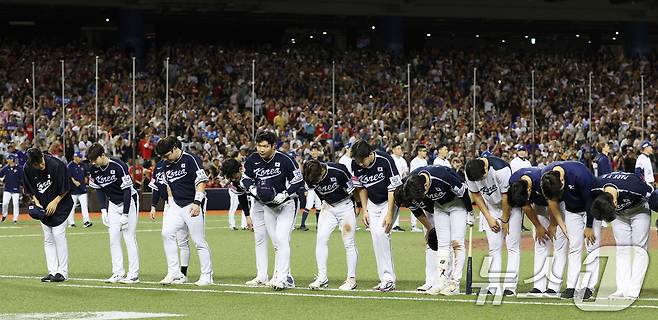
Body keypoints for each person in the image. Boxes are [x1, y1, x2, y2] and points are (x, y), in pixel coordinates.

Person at [241, 131, 303, 290]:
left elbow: (298, 181)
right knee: (271, 241)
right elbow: (245, 179)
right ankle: (275, 276)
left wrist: (286, 194)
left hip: (286, 204)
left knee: (281, 239)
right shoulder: (252, 159)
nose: (261, 149)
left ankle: (283, 277)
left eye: (265, 146)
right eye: (259, 146)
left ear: (273, 146)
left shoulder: (285, 159)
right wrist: (253, 190)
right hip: (266, 205)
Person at [400, 165, 474, 296]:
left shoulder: (443, 177)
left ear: (426, 186)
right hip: (439, 207)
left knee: (457, 243)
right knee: (443, 245)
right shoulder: (413, 181)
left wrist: (470, 211)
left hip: (457, 204)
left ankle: (454, 284)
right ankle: (441, 282)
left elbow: (463, 192)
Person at [156, 136, 214, 286]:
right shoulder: (164, 164)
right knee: (166, 233)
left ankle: (207, 276)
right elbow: (169, 184)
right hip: (176, 204)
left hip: (192, 203)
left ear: (175, 148)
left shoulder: (190, 159)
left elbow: (201, 181)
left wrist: (197, 202)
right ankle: (174, 273)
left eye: (167, 155)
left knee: (199, 241)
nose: (165, 159)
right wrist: (170, 202)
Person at [541, 161, 599, 299]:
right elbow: (552, 201)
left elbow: (590, 201)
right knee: (574, 246)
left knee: (592, 246)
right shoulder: (547, 177)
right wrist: (559, 224)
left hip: (592, 208)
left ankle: (588, 287)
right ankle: (571, 286)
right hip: (572, 211)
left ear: (563, 179)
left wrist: (589, 226)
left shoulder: (580, 175)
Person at [591, 172, 653, 299]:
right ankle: (621, 289)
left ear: (615, 201)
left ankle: (633, 291)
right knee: (621, 248)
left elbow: (653, 194)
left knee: (639, 248)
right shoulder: (595, 186)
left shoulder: (635, 188)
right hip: (619, 215)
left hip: (639, 210)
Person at [351, 139, 402, 292]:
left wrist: (389, 213)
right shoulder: (356, 164)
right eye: (357, 161)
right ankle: (384, 279)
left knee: (382, 233)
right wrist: (365, 210)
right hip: (372, 203)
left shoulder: (385, 160)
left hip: (390, 199)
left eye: (362, 160)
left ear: (370, 154)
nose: (360, 164)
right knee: (376, 238)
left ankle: (389, 279)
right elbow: (361, 188)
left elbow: (393, 188)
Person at [87, 143, 140, 284]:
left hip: (129, 202)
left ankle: (133, 274)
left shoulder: (118, 165)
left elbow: (127, 190)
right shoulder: (94, 169)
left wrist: (125, 214)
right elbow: (98, 189)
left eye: (94, 159)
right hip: (113, 204)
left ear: (102, 155)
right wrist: (103, 210)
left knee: (129, 238)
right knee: (113, 238)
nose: (93, 163)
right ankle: (118, 272)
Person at [464, 156, 517, 295]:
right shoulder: (470, 171)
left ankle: (510, 287)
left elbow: (507, 197)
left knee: (512, 246)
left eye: (482, 178)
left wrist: (505, 220)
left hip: (512, 206)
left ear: (486, 168)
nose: (480, 182)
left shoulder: (501, 170)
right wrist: (489, 218)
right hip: (491, 207)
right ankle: (493, 286)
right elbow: (476, 195)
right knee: (494, 248)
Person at [303, 160, 358, 291]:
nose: (315, 182)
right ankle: (322, 277)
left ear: (322, 170)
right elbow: (315, 190)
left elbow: (353, 189)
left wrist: (358, 205)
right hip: (327, 208)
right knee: (321, 239)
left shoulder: (338, 171)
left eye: (317, 179)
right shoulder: (310, 175)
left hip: (345, 206)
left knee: (349, 242)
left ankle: (351, 279)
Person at [23, 148, 73, 282]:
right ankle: (52, 271)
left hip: (61, 205)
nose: (40, 166)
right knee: (48, 238)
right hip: (44, 207)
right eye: (37, 165)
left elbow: (67, 186)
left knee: (58, 235)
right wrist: (36, 201)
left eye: (42, 163)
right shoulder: (27, 168)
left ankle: (62, 272)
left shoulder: (57, 164)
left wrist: (56, 201)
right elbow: (29, 188)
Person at [507, 167, 555, 296]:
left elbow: (554, 201)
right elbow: (526, 205)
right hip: (540, 205)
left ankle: (556, 287)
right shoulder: (514, 181)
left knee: (561, 243)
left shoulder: (543, 179)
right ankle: (539, 286)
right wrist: (538, 226)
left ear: (529, 189)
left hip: (557, 203)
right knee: (541, 243)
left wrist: (553, 224)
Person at [149, 157, 191, 284]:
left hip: (182, 202)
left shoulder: (179, 162)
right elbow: (156, 187)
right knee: (167, 235)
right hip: (168, 205)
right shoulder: (159, 166)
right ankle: (174, 272)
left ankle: (183, 274)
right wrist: (153, 206)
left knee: (183, 240)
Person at [298, 143, 323, 231]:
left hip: (318, 187)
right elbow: (304, 175)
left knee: (319, 206)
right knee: (308, 205)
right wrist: (305, 188)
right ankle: (302, 225)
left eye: (316, 150)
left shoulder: (321, 161)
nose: (314, 152)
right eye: (312, 151)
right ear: (310, 152)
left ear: (318, 152)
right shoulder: (307, 161)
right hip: (310, 188)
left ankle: (318, 225)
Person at [66, 151, 92, 228]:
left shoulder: (83, 165)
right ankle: (71, 223)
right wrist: (74, 181)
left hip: (82, 190)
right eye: (79, 157)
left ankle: (86, 221)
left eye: (80, 157)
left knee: (84, 206)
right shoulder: (70, 166)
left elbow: (86, 174)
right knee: (71, 207)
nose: (80, 159)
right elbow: (69, 176)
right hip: (73, 191)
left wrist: (86, 178)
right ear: (75, 157)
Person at [408, 144, 429, 232]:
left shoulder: (425, 161)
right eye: (423, 151)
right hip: (416, 187)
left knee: (424, 206)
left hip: (424, 187)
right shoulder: (414, 162)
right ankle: (413, 225)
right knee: (415, 205)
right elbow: (412, 176)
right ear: (419, 152)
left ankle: (425, 224)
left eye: (425, 151)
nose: (425, 153)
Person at [390, 142, 409, 232]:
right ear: (393, 150)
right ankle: (392, 224)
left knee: (397, 206)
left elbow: (405, 173)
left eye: (400, 148)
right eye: (398, 149)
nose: (400, 150)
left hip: (400, 185)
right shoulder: (390, 159)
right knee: (390, 205)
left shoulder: (403, 160)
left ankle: (395, 224)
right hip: (391, 185)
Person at [226, 152, 248, 230]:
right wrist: (233, 188)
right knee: (233, 207)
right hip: (233, 189)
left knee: (245, 205)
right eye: (239, 155)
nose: (241, 156)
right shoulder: (230, 165)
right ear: (235, 156)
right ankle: (232, 225)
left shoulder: (241, 164)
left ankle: (244, 224)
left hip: (241, 187)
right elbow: (225, 181)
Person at [0, 154, 22, 223]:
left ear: (12, 160)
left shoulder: (19, 168)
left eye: (9, 159)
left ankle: (15, 219)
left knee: (15, 204)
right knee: (5, 204)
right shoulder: (6, 168)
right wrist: (1, 180)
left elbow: (23, 177)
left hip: (16, 189)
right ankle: (4, 215)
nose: (7, 160)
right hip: (7, 189)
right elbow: (0, 174)